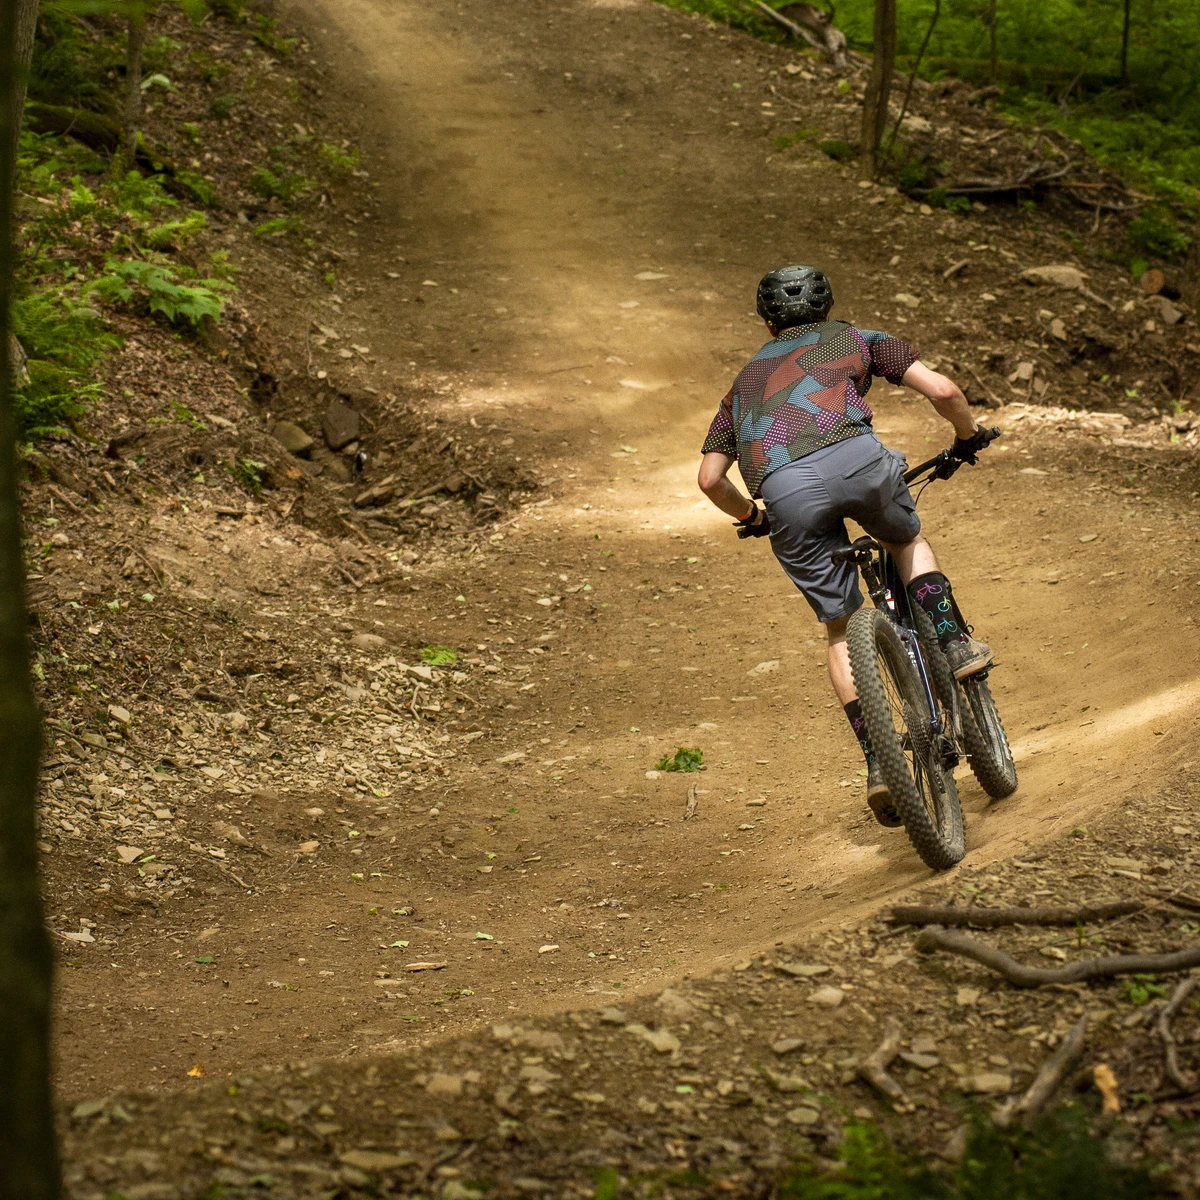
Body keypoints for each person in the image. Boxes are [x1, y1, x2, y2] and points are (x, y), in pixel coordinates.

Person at [697, 266, 994, 828]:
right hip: (858, 462)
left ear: (766, 321)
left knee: (840, 628)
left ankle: (879, 761)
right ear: (828, 306)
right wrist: (967, 437)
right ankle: (954, 644)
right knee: (906, 543)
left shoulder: (741, 387)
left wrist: (752, 516)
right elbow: (945, 390)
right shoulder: (859, 339)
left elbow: (711, 479)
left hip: (785, 494)